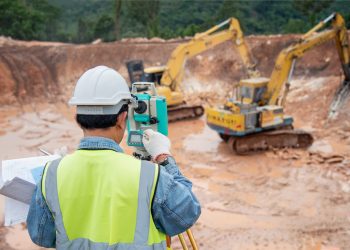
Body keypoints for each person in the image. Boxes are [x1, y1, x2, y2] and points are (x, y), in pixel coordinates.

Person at [26, 65, 201, 249]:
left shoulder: (51, 173)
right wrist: (163, 157)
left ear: (78, 117)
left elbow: (41, 236)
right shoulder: (148, 175)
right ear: (121, 118)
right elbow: (187, 212)